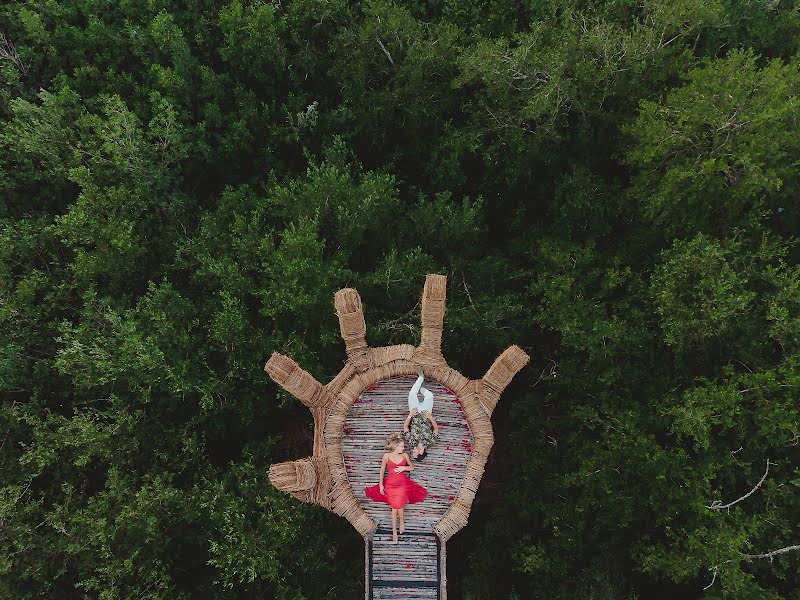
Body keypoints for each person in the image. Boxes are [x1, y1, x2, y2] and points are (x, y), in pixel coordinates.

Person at [364, 432, 427, 543]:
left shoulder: (404, 456)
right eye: (402, 446)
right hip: (390, 486)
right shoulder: (386, 456)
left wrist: (403, 468)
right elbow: (382, 470)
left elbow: (412, 467)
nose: (403, 448)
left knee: (399, 506)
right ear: (396, 446)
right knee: (395, 508)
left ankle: (401, 522)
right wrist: (381, 484)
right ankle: (394, 530)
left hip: (402, 485)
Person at [403, 367, 439, 460]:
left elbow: (406, 427)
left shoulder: (411, 442)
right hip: (426, 413)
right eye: (415, 453)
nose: (413, 451)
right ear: (421, 452)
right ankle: (421, 388)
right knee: (430, 396)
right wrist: (430, 417)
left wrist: (410, 415)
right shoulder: (430, 442)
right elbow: (435, 429)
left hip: (414, 413)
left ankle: (421, 378)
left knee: (411, 394)